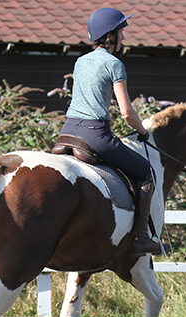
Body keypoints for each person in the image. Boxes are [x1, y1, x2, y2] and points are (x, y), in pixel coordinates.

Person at [59, 7, 164, 257]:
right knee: (146, 174)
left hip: (67, 131)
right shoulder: (115, 64)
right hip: (96, 135)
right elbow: (126, 112)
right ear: (110, 36)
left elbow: (78, 100)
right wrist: (143, 132)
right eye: (121, 33)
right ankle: (140, 237)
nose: (123, 38)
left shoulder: (80, 61)